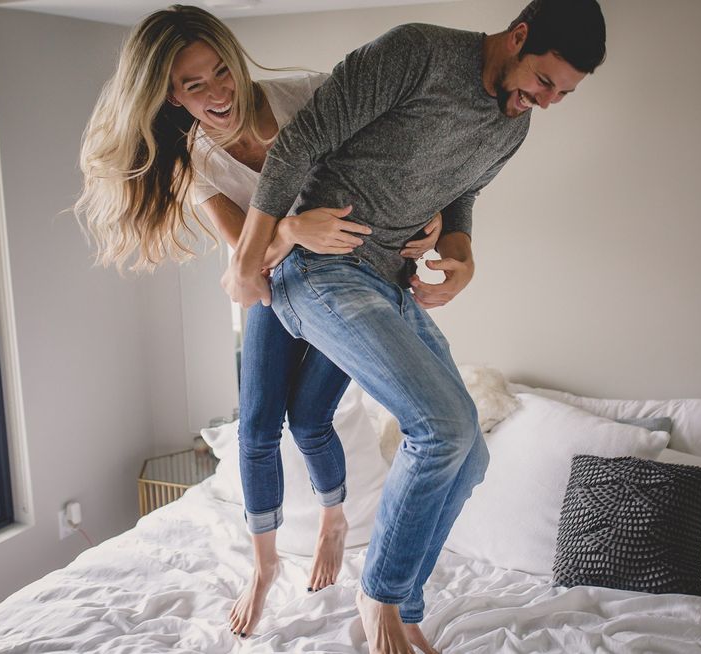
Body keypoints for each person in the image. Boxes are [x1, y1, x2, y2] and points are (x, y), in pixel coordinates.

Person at [222, 1, 607, 652]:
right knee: (441, 429)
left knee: (470, 452)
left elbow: (463, 192)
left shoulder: (513, 126)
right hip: (322, 268)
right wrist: (247, 256)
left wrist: (462, 254)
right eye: (546, 82)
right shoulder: (419, 53)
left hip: (389, 282)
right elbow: (302, 138)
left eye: (564, 94)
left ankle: (404, 604)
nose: (548, 101)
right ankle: (379, 596)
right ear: (518, 38)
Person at [73, 4, 442, 640]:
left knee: (309, 418)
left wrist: (432, 215)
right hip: (276, 283)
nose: (220, 92)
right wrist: (293, 227)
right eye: (195, 85)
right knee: (255, 428)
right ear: (170, 95)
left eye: (223, 70)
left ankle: (334, 518)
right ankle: (264, 566)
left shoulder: (306, 94)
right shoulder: (196, 158)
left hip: (349, 278)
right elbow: (249, 259)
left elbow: (398, 157)